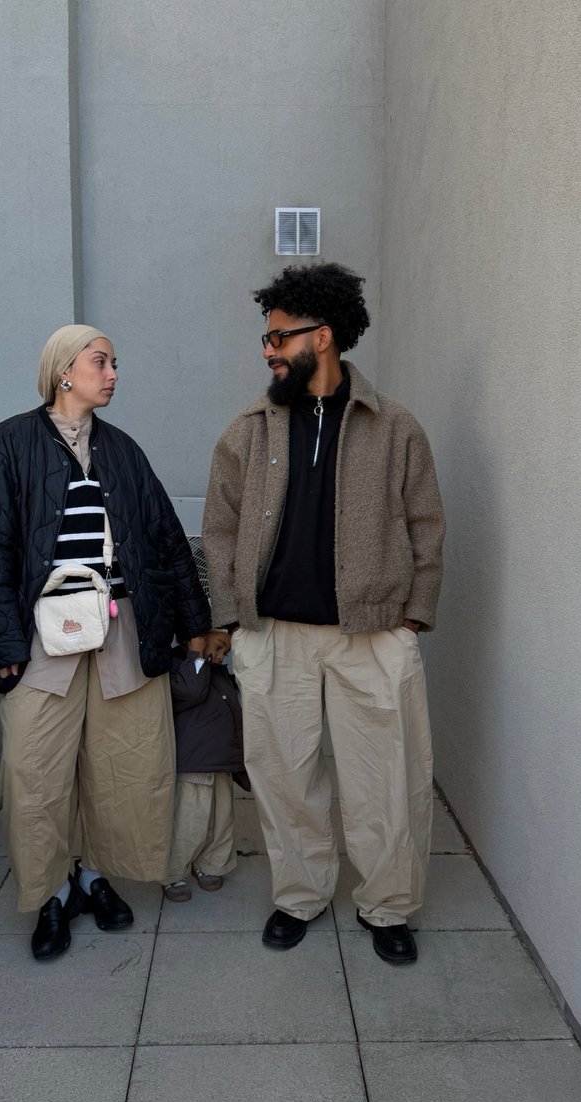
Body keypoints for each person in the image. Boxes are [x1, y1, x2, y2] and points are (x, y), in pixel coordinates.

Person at [202, 264, 445, 963]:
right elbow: (220, 527)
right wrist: (230, 615)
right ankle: (299, 896)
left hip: (372, 633)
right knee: (283, 777)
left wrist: (414, 615)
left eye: (278, 336)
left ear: (325, 336)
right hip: (273, 635)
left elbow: (427, 523)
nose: (267, 350)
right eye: (266, 337)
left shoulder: (394, 427)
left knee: (385, 780)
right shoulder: (247, 430)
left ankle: (387, 905)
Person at [0, 324, 210, 960]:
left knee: (124, 764)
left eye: (115, 363)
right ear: (64, 370)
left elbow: (165, 539)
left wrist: (196, 620)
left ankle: (97, 876)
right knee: (32, 769)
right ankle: (51, 893)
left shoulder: (122, 450)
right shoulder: (7, 445)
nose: (114, 372)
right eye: (101, 362)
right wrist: (3, 645)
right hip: (44, 636)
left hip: (122, 630)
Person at [163, 632, 245, 902]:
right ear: (197, 638)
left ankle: (212, 863)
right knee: (190, 819)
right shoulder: (180, 664)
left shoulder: (216, 669)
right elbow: (190, 691)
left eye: (226, 652)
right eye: (219, 647)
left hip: (220, 758)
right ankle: (174, 871)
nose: (222, 656)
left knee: (222, 818)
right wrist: (195, 654)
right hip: (194, 760)